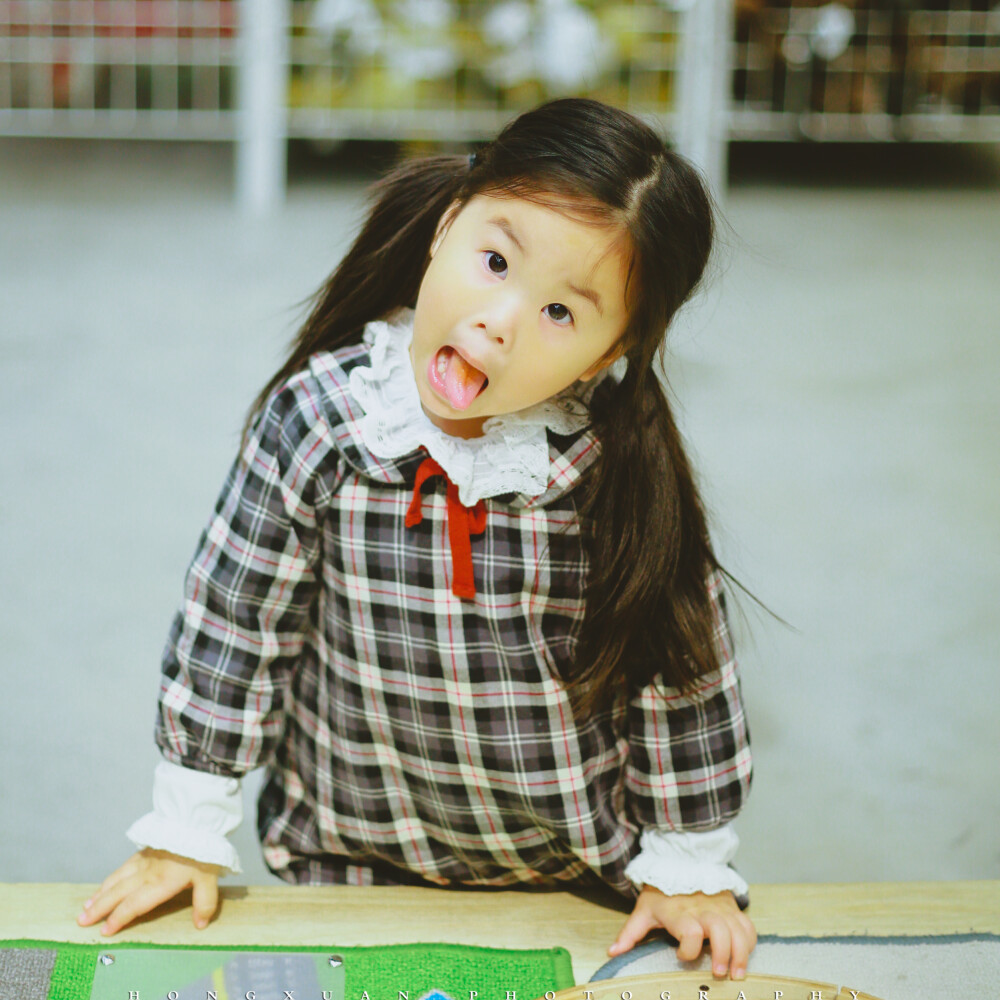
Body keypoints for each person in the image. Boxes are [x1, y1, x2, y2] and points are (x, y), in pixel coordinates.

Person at [77, 98, 755, 979]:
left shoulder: (605, 471)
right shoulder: (323, 422)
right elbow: (234, 625)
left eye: (561, 312)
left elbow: (678, 671)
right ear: (444, 228)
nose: (500, 320)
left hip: (573, 874)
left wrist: (689, 864)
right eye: (495, 260)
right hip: (351, 857)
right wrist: (185, 827)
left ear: (605, 356)